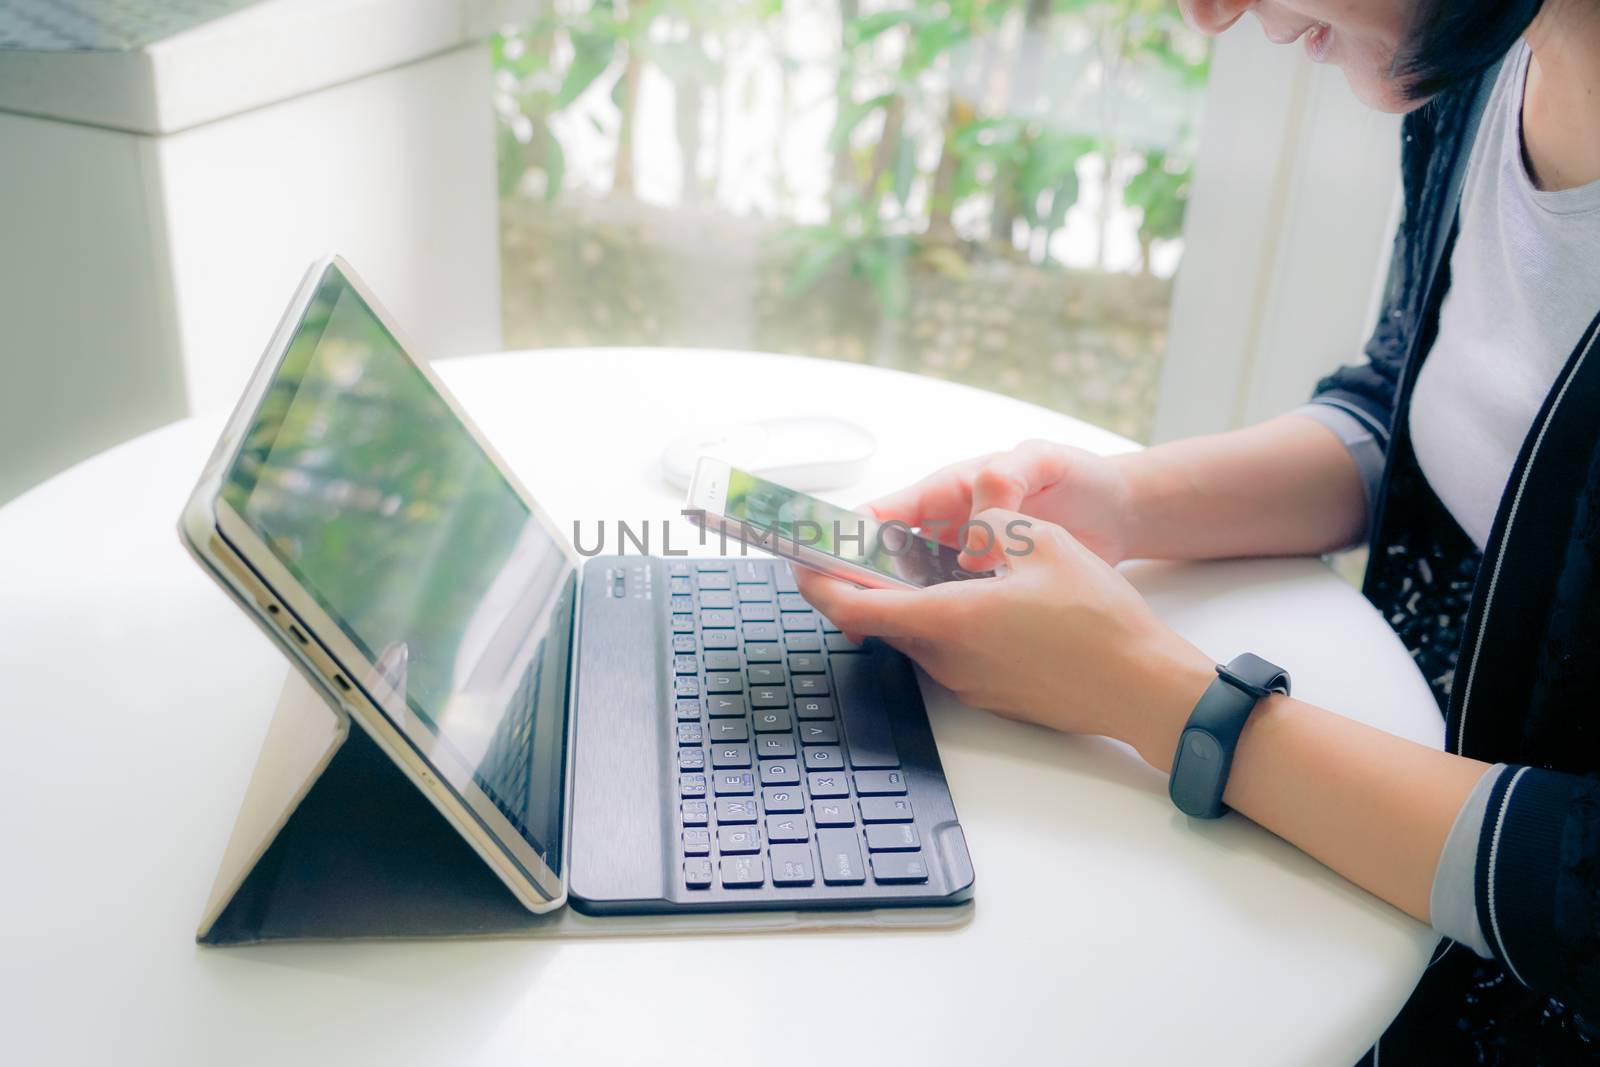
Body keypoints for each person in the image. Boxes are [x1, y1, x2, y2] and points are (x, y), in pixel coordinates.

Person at [793, 0, 1600, 1061]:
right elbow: (1410, 404)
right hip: (1377, 867)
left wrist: (1153, 693)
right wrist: (1121, 502)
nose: (1208, 13)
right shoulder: (1494, 59)